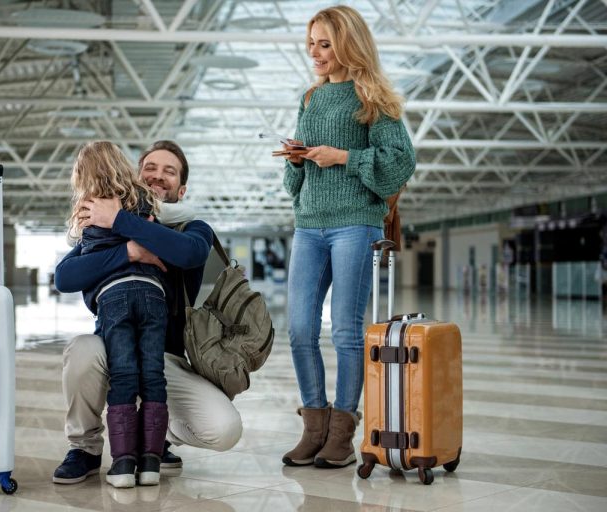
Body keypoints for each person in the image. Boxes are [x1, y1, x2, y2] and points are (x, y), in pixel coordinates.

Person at [52, 140, 243, 486]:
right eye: (150, 168)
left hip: (167, 359)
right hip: (112, 348)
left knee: (225, 429)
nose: (158, 175)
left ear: (181, 189)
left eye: (169, 171)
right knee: (81, 350)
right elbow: (64, 277)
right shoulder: (104, 226)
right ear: (135, 176)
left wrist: (121, 220)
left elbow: (187, 254)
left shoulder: (193, 228)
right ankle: (85, 448)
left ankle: (161, 434)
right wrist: (129, 251)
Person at [280, 6, 416, 469]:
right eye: (311, 44)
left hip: (355, 224)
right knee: (299, 328)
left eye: (324, 44)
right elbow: (292, 185)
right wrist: (295, 160)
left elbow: (399, 161)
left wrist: (344, 157)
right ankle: (313, 425)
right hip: (308, 226)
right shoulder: (310, 99)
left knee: (344, 331)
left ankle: (342, 431)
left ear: (348, 44)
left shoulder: (372, 97)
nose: (315, 53)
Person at [67, 141, 170, 488]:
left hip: (114, 298)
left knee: (124, 375)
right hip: (153, 294)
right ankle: (152, 463)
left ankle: (124, 464)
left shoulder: (88, 210)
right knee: (153, 375)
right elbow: (63, 277)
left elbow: (82, 260)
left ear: (82, 176)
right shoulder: (141, 200)